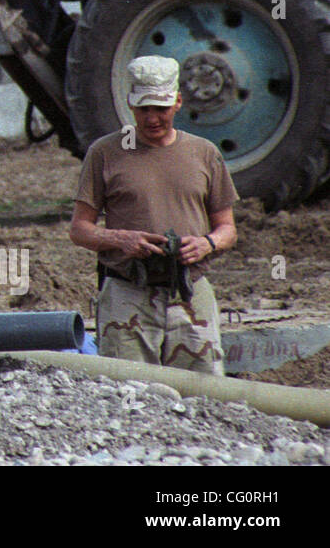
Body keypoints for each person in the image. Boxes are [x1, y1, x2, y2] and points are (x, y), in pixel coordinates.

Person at [69, 55, 238, 375]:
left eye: (160, 108)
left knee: (205, 399)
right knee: (128, 396)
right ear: (130, 104)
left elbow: (227, 228)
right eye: (144, 108)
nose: (152, 118)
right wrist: (121, 239)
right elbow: (79, 229)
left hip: (189, 291)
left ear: (177, 102)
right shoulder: (105, 153)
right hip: (126, 293)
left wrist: (206, 244)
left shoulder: (204, 153)